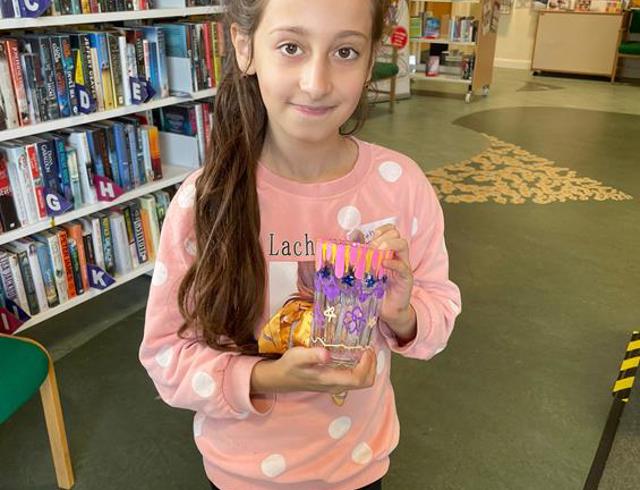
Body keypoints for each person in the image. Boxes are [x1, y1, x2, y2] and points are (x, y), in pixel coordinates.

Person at [139, 0, 462, 488]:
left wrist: (402, 313)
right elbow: (166, 356)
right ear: (245, 47)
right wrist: (271, 377)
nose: (317, 82)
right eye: (291, 47)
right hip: (240, 472)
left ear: (373, 56)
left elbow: (438, 315)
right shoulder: (206, 201)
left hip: (357, 466)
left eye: (346, 52)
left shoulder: (402, 186)